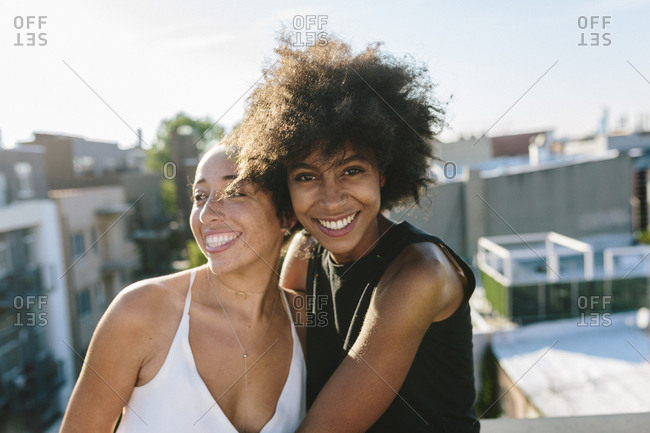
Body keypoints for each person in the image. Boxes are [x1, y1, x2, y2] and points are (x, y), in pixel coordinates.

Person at [235, 35, 480, 432]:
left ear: (383, 171)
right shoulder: (304, 254)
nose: (331, 200)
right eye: (307, 176)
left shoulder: (420, 274)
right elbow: (274, 363)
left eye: (352, 170)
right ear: (286, 186)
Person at [60, 144, 305, 433]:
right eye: (200, 197)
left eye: (235, 192)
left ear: (287, 214)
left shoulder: (303, 325)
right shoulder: (141, 312)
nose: (206, 215)